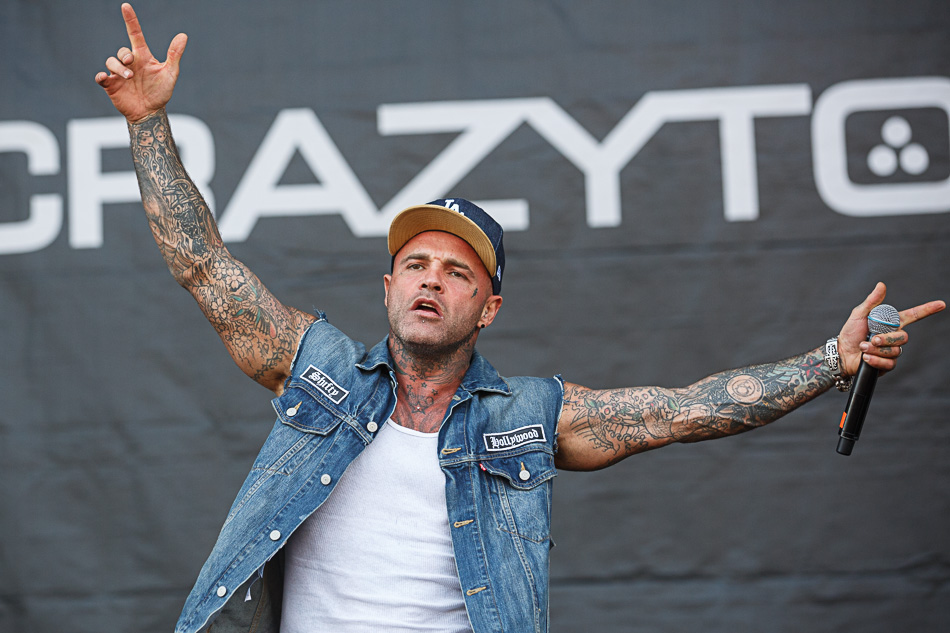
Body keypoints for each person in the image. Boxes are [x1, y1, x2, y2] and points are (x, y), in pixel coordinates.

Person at [95, 4, 944, 633]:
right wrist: (148, 125)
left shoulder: (531, 417)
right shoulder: (314, 366)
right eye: (416, 266)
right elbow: (204, 266)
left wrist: (830, 362)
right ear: (388, 287)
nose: (431, 282)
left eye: (457, 272)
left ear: (489, 306)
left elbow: (687, 409)